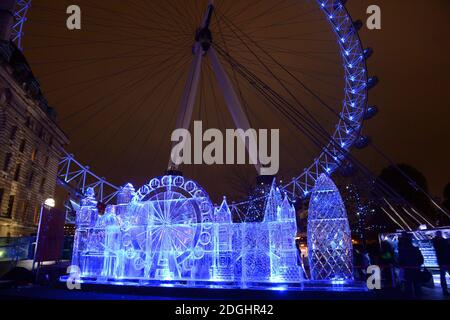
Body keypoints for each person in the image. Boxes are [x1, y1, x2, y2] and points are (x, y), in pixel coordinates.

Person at [397, 232, 424, 297]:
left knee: (408, 286)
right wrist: (418, 265)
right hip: (416, 269)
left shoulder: (402, 251)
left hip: (407, 270)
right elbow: (421, 260)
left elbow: (400, 261)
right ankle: (418, 295)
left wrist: (402, 266)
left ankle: (409, 296)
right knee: (417, 285)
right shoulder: (416, 249)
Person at [432, 231, 450, 296]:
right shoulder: (439, 241)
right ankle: (445, 290)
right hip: (444, 260)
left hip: (443, 261)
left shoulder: (437, 241)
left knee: (443, 276)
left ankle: (445, 290)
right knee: (443, 276)